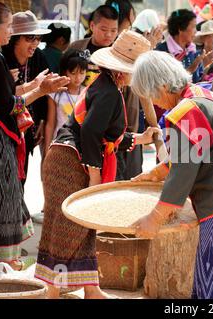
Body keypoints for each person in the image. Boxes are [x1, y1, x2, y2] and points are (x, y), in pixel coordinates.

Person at [131, 50, 213, 299]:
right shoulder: (201, 94)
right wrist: (159, 171)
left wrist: (154, 218)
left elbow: (184, 171)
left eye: (151, 96)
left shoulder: (186, 110)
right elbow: (197, 152)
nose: (155, 103)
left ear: (161, 86)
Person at [34, 31, 159, 299]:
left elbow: (107, 136)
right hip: (70, 161)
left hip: (68, 157)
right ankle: (52, 290)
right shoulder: (110, 91)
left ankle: (91, 288)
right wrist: (94, 174)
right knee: (69, 226)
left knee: (85, 226)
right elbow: (90, 131)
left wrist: (141, 139)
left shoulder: (107, 86)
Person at [0, 1, 69, 270]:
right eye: (8, 27)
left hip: (0, 134)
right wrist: (40, 90)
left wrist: (35, 86)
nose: (10, 32)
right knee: (1, 194)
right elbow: (8, 104)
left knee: (4, 193)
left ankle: (2, 260)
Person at [1, 11, 52, 185]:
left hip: (29, 130)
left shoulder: (39, 57)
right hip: (3, 130)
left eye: (37, 38)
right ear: (15, 38)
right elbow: (1, 97)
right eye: (30, 38)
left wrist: (42, 121)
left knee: (22, 176)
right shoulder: (0, 59)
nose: (35, 43)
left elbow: (45, 94)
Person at [44, 49, 88, 159]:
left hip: (81, 146)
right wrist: (46, 150)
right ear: (65, 71)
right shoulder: (55, 94)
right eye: (73, 73)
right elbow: (50, 124)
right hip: (59, 143)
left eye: (82, 73)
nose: (78, 78)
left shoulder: (88, 93)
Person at [68, 5, 119, 86]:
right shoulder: (76, 47)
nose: (109, 35)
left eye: (113, 30)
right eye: (104, 29)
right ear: (92, 26)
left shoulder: (120, 53)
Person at [156, 9, 206, 84]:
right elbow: (162, 84)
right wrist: (189, 70)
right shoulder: (161, 52)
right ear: (180, 29)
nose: (196, 31)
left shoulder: (194, 51)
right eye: (193, 27)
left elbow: (199, 81)